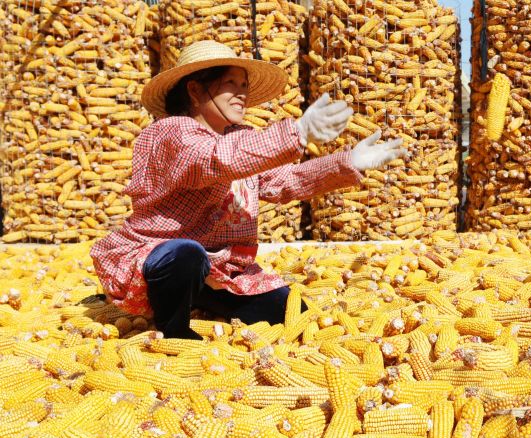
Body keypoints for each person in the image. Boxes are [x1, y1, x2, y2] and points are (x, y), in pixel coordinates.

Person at [90, 40, 406, 339]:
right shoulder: (171, 133)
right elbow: (216, 160)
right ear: (195, 89)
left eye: (244, 85)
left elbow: (286, 180)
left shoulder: (239, 138)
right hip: (162, 261)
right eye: (231, 83)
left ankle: (200, 298)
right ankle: (174, 332)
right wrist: (297, 132)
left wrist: (348, 162)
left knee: (290, 312)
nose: (242, 93)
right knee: (185, 254)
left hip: (221, 270)